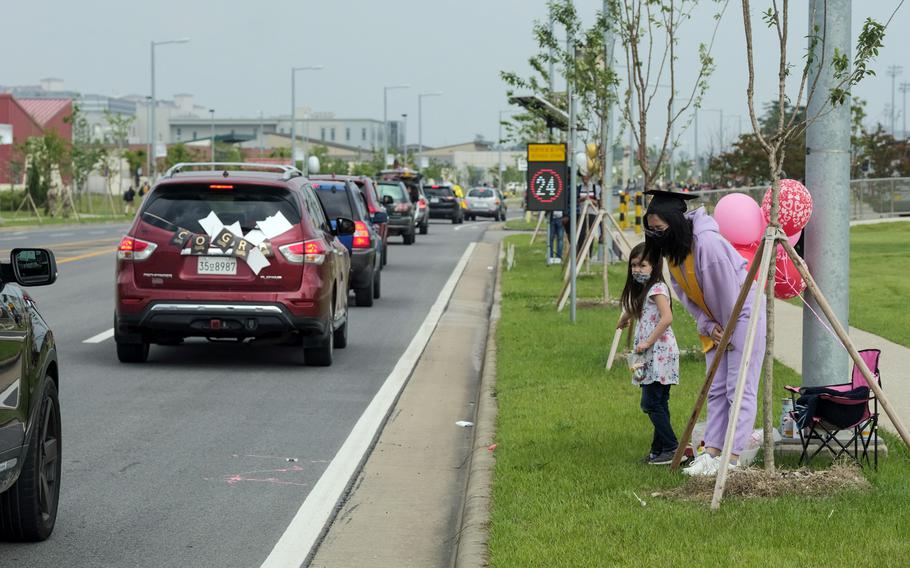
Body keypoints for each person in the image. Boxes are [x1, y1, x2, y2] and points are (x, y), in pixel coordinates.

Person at [643, 189, 766, 476]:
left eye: (659, 229)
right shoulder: (674, 253)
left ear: (675, 221)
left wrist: (728, 332)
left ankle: (733, 457)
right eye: (652, 230)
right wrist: (710, 327)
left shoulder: (707, 244)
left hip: (741, 315)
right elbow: (688, 298)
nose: (656, 234)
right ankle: (711, 451)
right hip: (716, 321)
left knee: (739, 387)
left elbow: (729, 295)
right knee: (716, 387)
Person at [618, 242, 681, 465]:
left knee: (650, 403)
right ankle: (659, 450)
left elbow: (667, 318)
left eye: (642, 265)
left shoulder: (657, 289)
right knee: (659, 403)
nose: (636, 270)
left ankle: (673, 447)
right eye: (633, 265)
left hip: (659, 353)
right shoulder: (646, 290)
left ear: (654, 266)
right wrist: (624, 319)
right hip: (653, 355)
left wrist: (647, 342)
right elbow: (635, 305)